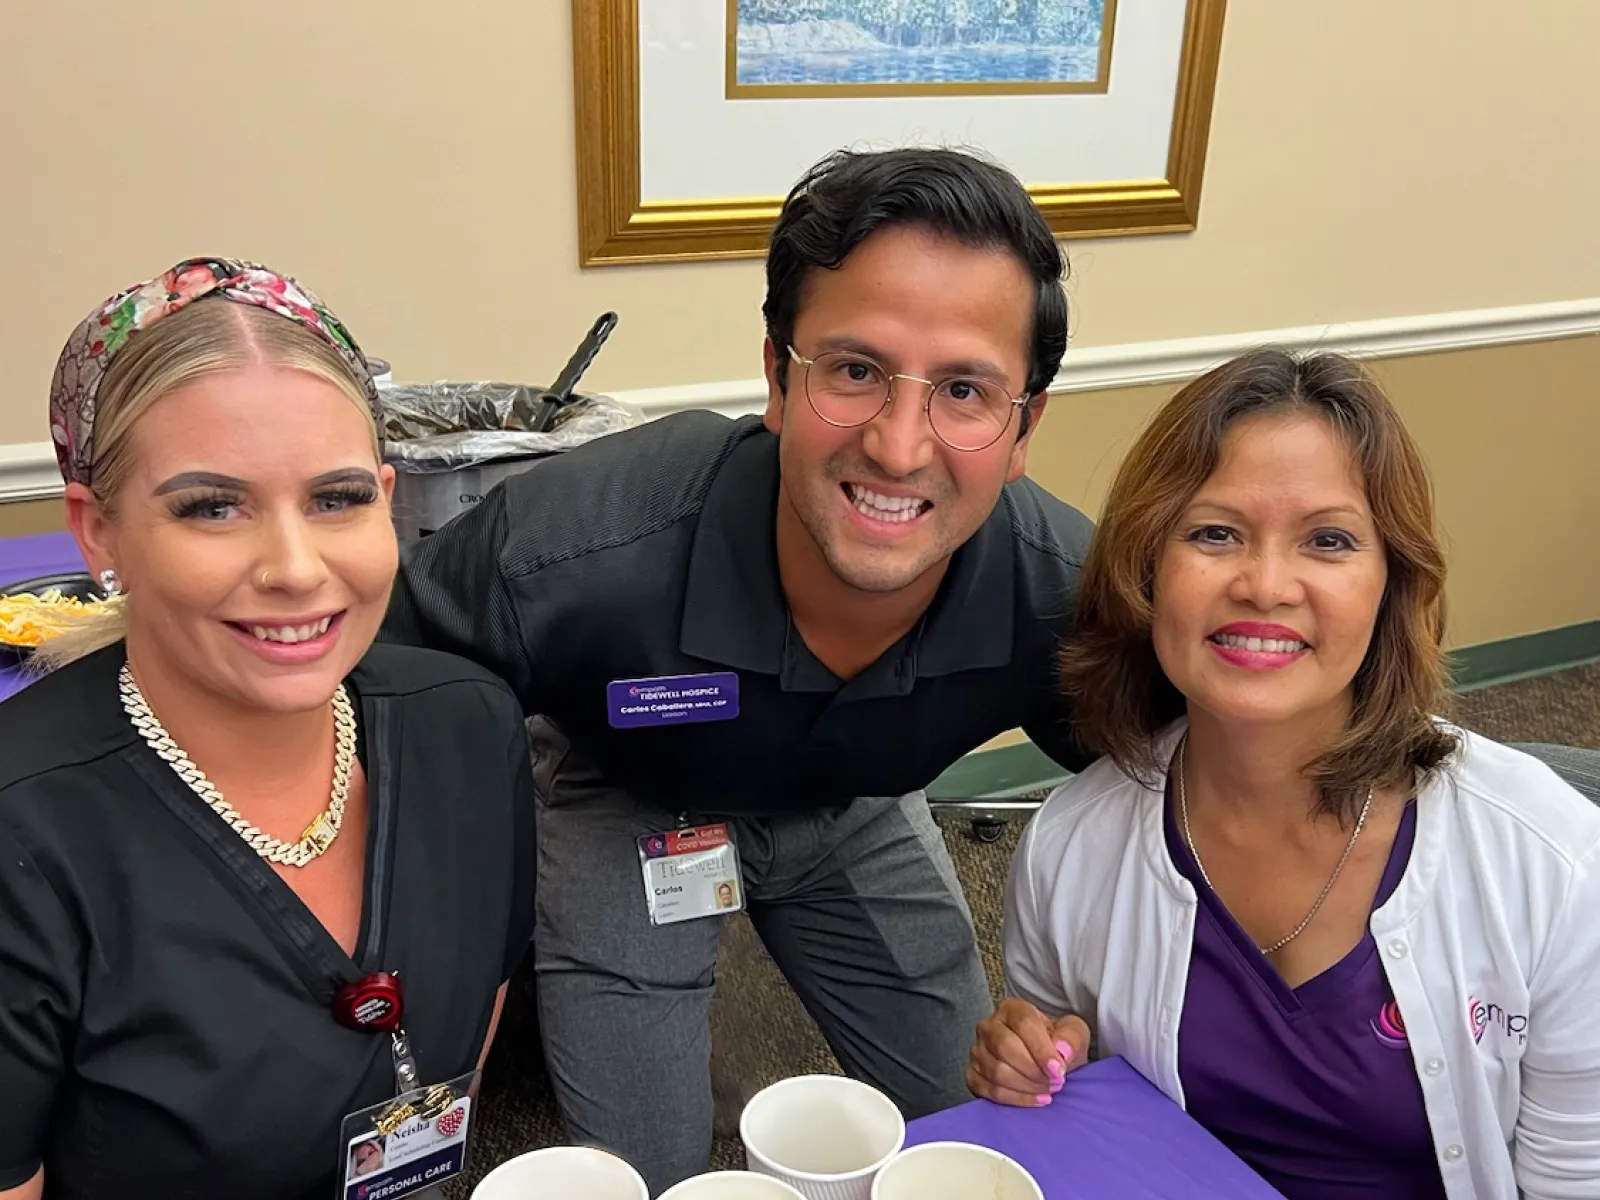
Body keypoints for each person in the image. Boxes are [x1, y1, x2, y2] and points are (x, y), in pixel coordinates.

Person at [381, 146, 1095, 1191]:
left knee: (975, 1134)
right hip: (632, 800)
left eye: (964, 390)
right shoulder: (577, 550)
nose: (900, 447)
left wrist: (1093, 995)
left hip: (855, 806)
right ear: (775, 376)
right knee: (652, 1180)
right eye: (853, 370)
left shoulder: (1059, 593)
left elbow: (1181, 799)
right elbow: (384, 722)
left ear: (1023, 426)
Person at [967, 350, 1600, 1199]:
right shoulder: (1071, 845)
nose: (1265, 584)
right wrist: (1036, 1068)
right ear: (1148, 567)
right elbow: (1078, 1117)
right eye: (1215, 533)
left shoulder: (1554, 866)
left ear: (1391, 583)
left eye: (1328, 540)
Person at [0, 259, 535, 1200]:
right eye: (212, 507)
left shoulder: (467, 731)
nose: (295, 568)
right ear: (99, 533)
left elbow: (469, 1023)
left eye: (337, 499)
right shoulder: (26, 831)